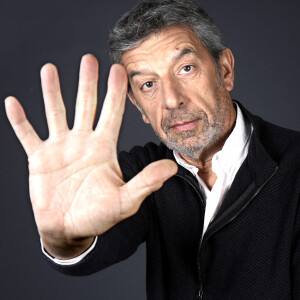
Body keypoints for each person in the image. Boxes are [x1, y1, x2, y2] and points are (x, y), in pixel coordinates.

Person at [4, 0, 300, 299]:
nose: (171, 99)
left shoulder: (295, 164)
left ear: (224, 70)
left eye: (186, 68)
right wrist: (64, 239)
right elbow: (95, 244)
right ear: (138, 106)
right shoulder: (141, 174)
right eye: (148, 84)